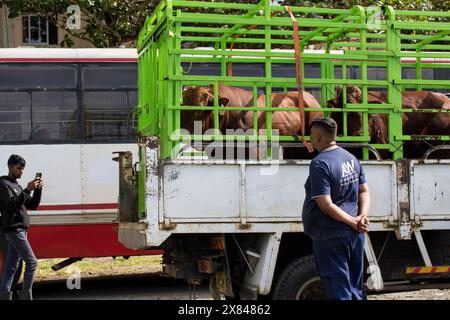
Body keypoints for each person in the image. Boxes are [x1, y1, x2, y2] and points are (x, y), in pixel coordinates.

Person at [302, 117, 370, 300]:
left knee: (338, 290)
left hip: (330, 235)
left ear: (317, 136)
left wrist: (354, 221)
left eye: (310, 135)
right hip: (354, 235)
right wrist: (361, 217)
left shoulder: (319, 163)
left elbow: (325, 205)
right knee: (354, 289)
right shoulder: (350, 158)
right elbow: (364, 191)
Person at [0, 155, 43, 300]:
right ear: (11, 167)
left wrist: (37, 189)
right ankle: (26, 296)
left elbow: (32, 205)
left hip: (20, 230)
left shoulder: (16, 186)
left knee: (11, 267)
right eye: (18, 168)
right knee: (32, 262)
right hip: (14, 230)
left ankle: (4, 296)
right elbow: (12, 206)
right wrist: (28, 189)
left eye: (22, 169)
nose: (21, 172)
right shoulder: (3, 184)